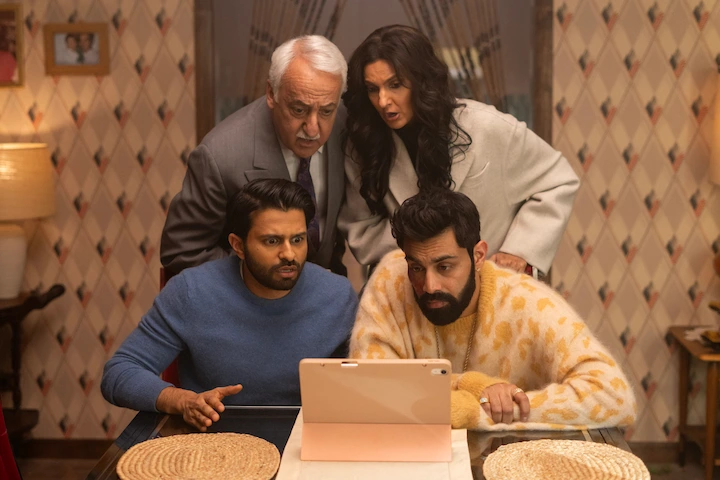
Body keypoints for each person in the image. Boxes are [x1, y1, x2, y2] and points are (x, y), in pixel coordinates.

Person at [350, 188, 636, 431]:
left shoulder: (528, 302)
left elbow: (614, 397)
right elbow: (371, 387)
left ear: (478, 256)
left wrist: (484, 411)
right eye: (416, 268)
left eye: (445, 267)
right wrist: (473, 387)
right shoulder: (391, 280)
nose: (429, 285)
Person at [102, 179, 358, 431]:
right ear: (238, 246)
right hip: (215, 438)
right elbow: (120, 372)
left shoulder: (337, 295)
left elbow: (361, 385)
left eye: (298, 240)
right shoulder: (191, 291)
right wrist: (182, 400)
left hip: (309, 438)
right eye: (272, 241)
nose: (289, 254)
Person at [339, 25, 579, 275]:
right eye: (372, 89)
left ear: (421, 81)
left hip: (490, 286)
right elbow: (360, 227)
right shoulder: (364, 144)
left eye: (395, 84)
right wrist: (418, 246)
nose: (383, 100)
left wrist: (520, 251)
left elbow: (558, 180)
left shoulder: (487, 126)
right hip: (408, 286)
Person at [161, 35, 348, 276]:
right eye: (299, 109)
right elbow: (182, 252)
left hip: (325, 288)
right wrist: (261, 277)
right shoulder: (220, 155)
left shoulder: (345, 126)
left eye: (326, 111)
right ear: (271, 93)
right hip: (248, 293)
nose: (313, 129)